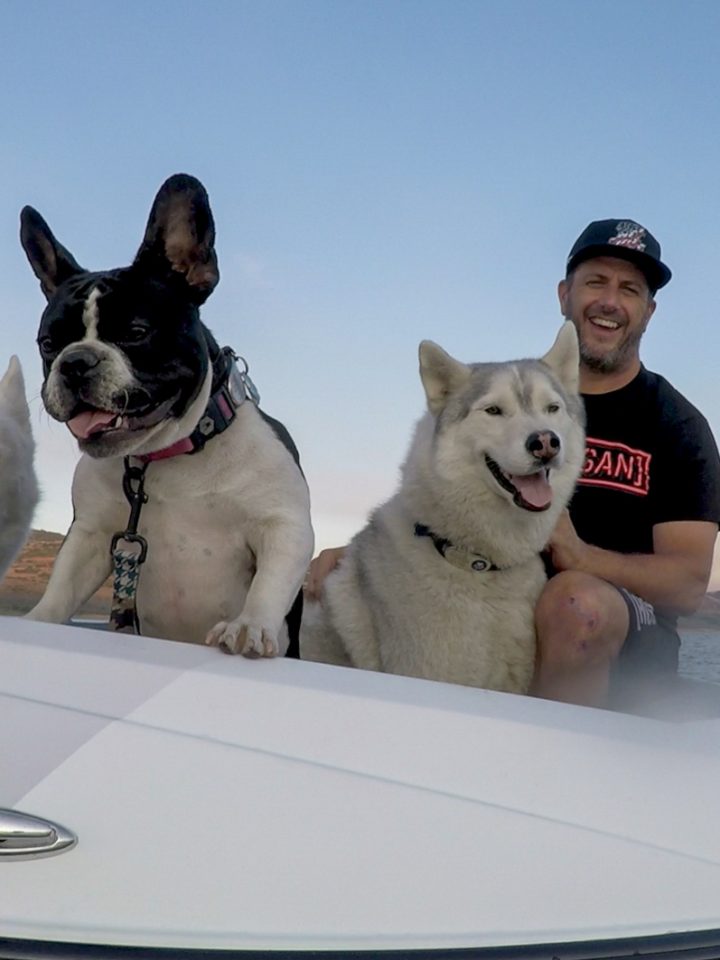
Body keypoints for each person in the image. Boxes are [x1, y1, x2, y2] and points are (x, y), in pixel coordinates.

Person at [305, 219, 720, 708]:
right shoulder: (510, 390)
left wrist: (582, 557)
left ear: (648, 312)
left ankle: (553, 751)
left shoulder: (676, 425)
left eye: (629, 289)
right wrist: (365, 556)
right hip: (515, 593)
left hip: (618, 628)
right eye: (596, 282)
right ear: (564, 295)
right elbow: (444, 494)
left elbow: (688, 585)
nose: (610, 301)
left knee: (572, 601)